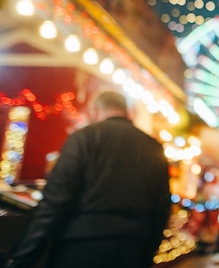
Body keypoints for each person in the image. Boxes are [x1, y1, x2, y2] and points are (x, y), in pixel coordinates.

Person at [4, 91, 171, 268]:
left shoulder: (84, 137)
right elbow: (161, 209)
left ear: (96, 110)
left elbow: (55, 200)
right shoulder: (153, 148)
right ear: (125, 111)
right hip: (132, 250)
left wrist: (22, 257)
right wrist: (147, 254)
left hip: (80, 248)